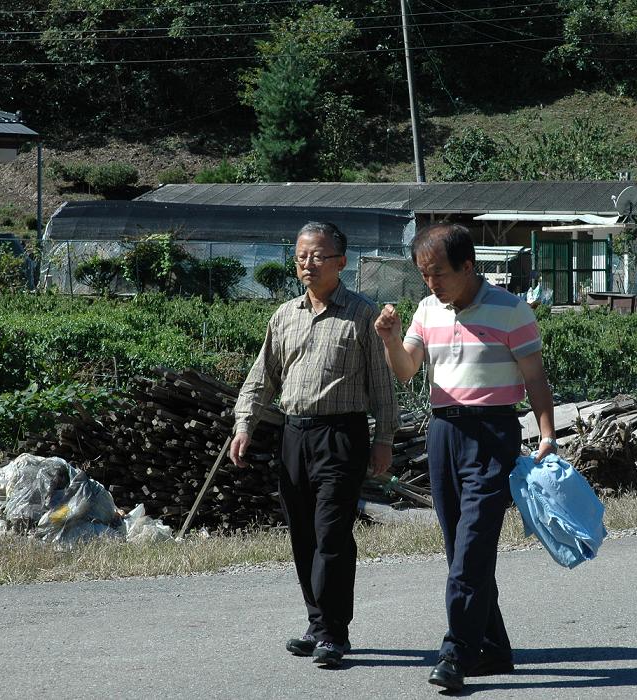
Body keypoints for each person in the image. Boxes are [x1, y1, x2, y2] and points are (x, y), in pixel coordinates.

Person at [374, 222, 557, 691]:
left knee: (472, 549)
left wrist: (547, 434)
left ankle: (457, 651)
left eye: (438, 274)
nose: (431, 284)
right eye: (424, 275)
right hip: (444, 433)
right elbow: (407, 370)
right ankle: (493, 648)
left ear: (468, 266)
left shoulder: (513, 312)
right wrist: (392, 340)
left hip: (493, 432)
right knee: (459, 548)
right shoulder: (426, 310)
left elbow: (535, 378)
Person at [231, 221, 397, 667]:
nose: (308, 264)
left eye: (319, 256)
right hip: (293, 434)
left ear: (341, 262)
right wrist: (244, 425)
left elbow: (383, 388)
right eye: (302, 256)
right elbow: (260, 377)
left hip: (341, 436)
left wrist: (383, 440)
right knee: (303, 534)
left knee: (332, 534)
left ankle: (333, 633)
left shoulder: (362, 315)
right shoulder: (284, 315)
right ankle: (316, 621)